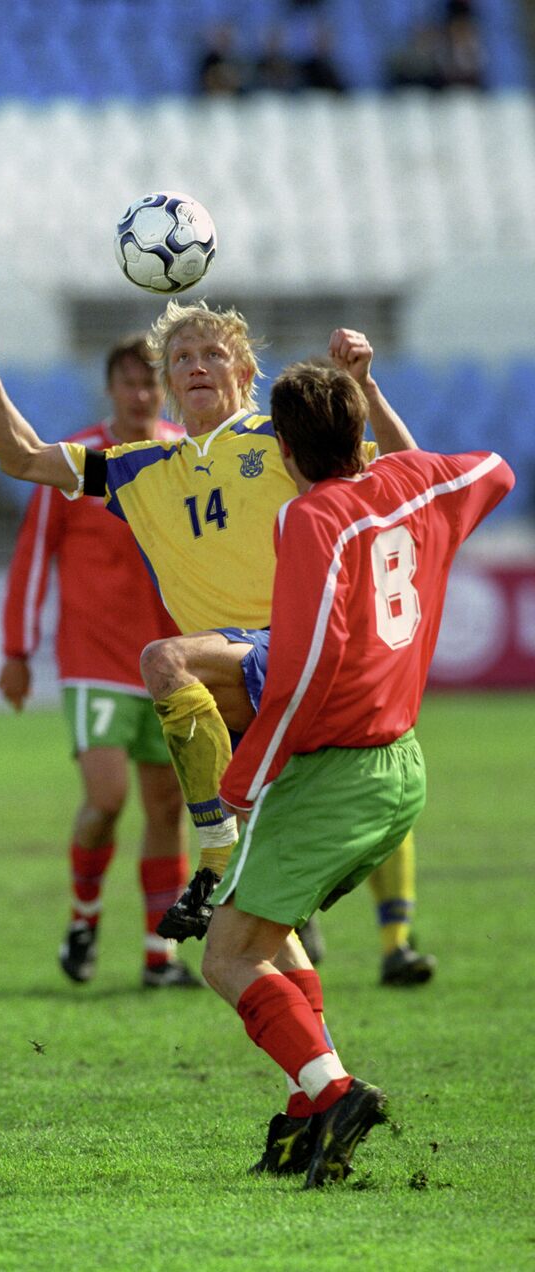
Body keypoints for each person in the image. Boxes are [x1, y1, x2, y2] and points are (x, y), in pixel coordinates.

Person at [0, 289, 432, 991]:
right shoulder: (141, 468)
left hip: (302, 659)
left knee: (167, 662)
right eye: (182, 357)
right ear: (169, 380)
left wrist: (367, 388)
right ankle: (322, 1078)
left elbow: (413, 481)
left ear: (243, 373)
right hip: (242, 683)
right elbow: (22, 458)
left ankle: (222, 847)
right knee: (253, 936)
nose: (196, 366)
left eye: (213, 353)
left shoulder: (282, 445)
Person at [203, 360, 513, 1187]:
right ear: (361, 432)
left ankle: (333, 1093)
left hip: (333, 774)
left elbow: (306, 665)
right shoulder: (413, 484)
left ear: (283, 448)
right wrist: (377, 395)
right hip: (402, 770)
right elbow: (496, 471)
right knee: (274, 935)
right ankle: (309, 1116)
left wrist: (244, 774)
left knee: (228, 956)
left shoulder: (310, 519)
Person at [0, 336, 199, 990]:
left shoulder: (186, 456)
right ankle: (85, 918)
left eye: (150, 383)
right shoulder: (77, 462)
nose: (141, 394)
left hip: (170, 659)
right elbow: (33, 556)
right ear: (109, 388)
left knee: (166, 807)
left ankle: (158, 956)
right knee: (107, 799)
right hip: (95, 658)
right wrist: (17, 649)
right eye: (129, 383)